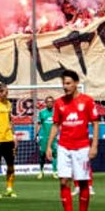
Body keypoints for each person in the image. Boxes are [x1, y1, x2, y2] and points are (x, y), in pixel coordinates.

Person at [46, 70, 99, 211]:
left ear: (76, 83)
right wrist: (49, 146)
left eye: (68, 83)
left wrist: (94, 146)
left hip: (82, 147)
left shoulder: (87, 101)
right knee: (63, 181)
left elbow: (95, 123)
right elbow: (56, 125)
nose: (65, 86)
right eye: (63, 83)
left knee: (83, 183)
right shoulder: (59, 103)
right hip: (64, 146)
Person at [35, 96, 58, 180]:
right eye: (48, 101)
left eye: (51, 101)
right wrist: (36, 134)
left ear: (53, 103)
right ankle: (41, 171)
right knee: (42, 155)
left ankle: (55, 171)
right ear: (45, 103)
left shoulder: (56, 112)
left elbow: (59, 124)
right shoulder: (42, 112)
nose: (50, 103)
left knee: (55, 154)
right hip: (44, 137)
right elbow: (39, 124)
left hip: (54, 137)